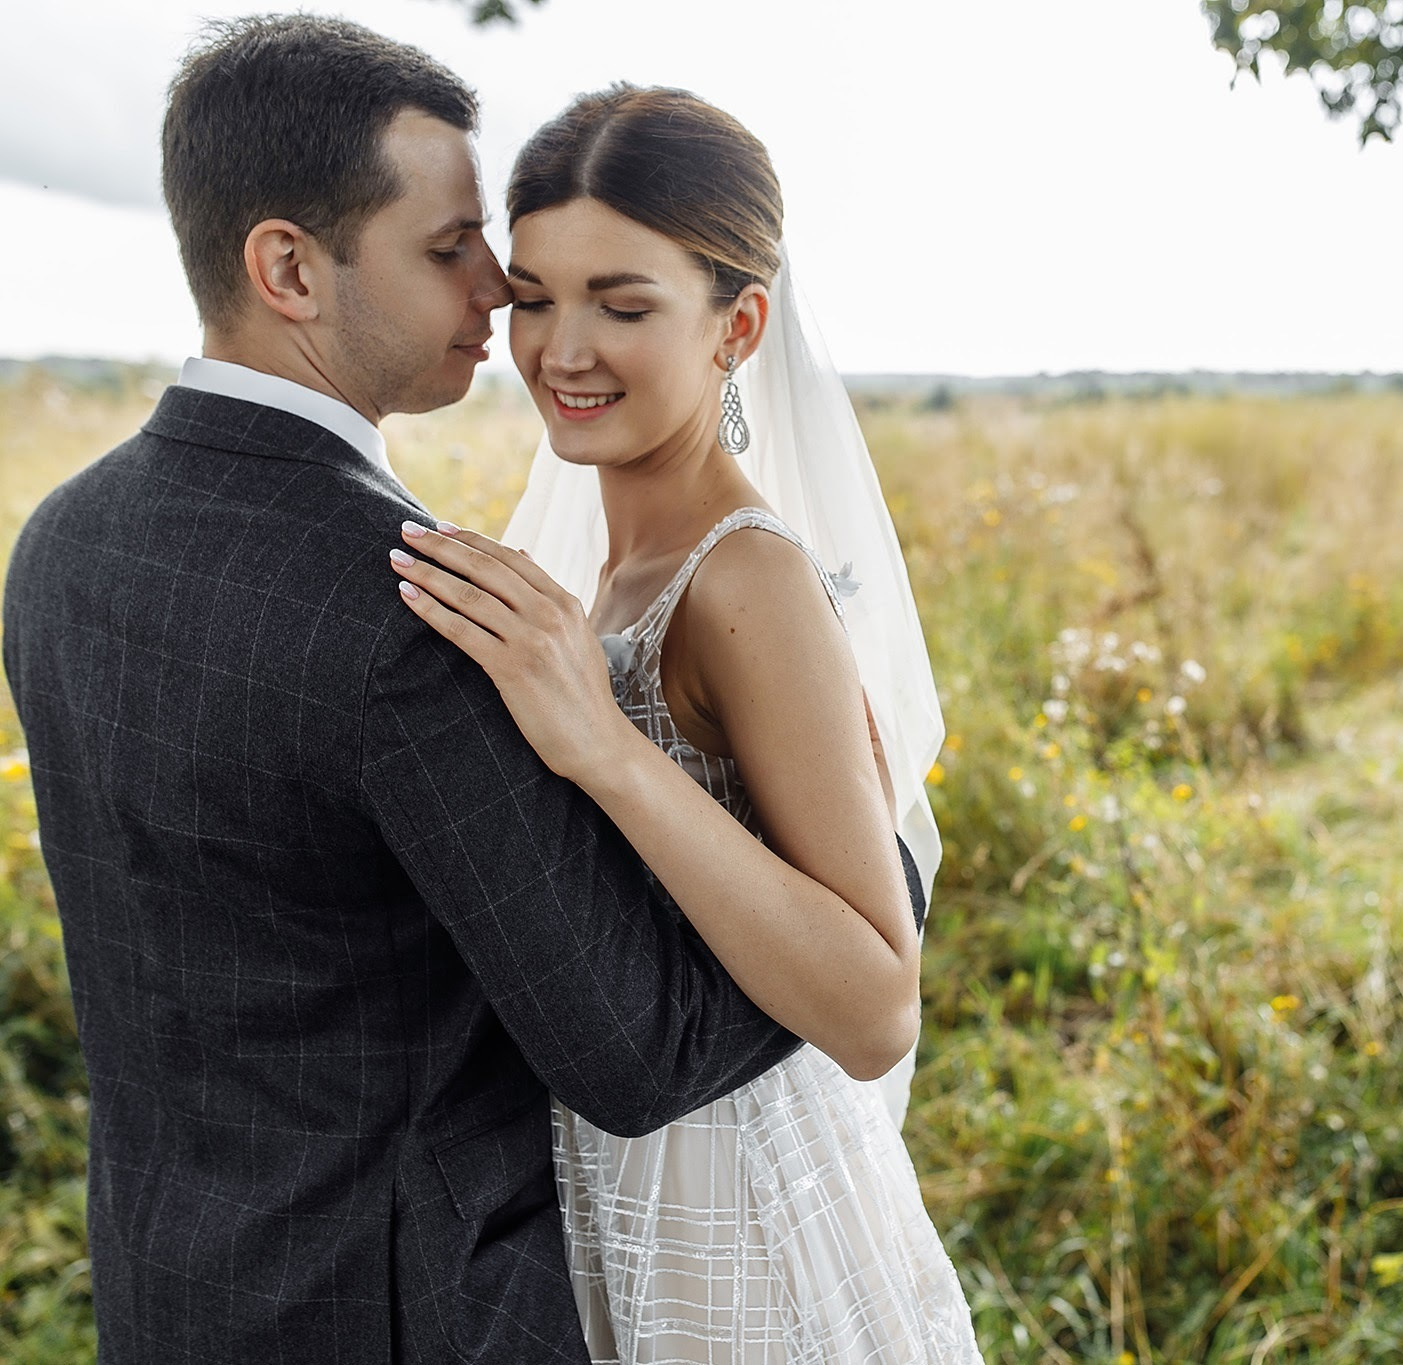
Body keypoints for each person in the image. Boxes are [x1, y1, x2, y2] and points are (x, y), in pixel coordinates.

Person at [0, 19, 916, 1362]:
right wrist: (887, 856)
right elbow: (632, 1047)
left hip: (175, 1285)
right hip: (405, 1313)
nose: (500, 299)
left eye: (603, 295)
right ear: (289, 269)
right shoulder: (404, 616)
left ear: (736, 329)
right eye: (459, 254)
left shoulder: (58, 543)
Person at [385, 84, 978, 1364]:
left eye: (624, 303)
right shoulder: (606, 573)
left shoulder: (745, 577)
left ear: (738, 325)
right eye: (534, 296)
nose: (563, 348)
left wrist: (601, 749)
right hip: (615, 1196)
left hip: (743, 1227)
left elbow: (878, 1005)